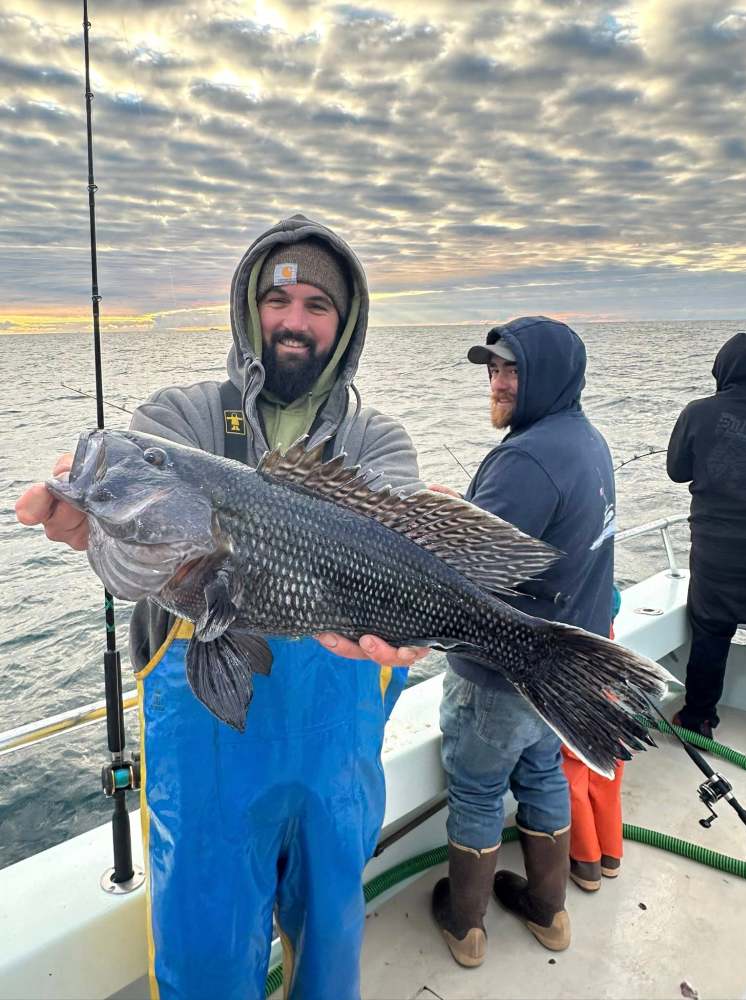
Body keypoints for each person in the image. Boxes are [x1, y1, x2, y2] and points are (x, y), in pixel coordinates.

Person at [15, 214, 427, 1000]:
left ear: (344, 325)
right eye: (279, 301)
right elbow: (135, 550)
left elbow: (403, 516)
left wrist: (424, 607)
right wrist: (91, 528)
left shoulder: (377, 440)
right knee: (204, 969)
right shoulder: (181, 419)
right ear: (250, 309)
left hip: (337, 765)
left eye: (317, 305)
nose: (294, 321)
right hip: (205, 771)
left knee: (332, 957)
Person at [431, 316, 616, 965]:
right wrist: (462, 508)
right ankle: (548, 911)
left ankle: (466, 926)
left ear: (546, 375)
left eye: (512, 368)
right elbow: (526, 542)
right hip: (554, 673)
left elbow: (457, 575)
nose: (498, 381)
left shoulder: (525, 458)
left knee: (479, 789)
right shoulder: (586, 442)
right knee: (541, 772)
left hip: (498, 674)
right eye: (491, 368)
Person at [667, 331, 746, 740]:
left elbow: (677, 471)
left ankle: (698, 717)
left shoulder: (698, 412)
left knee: (710, 632)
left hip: (715, 552)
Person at [561, 585, 624, 892]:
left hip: (568, 642)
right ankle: (610, 853)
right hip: (602, 632)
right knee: (606, 742)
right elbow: (612, 597)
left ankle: (585, 860)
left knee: (571, 755)